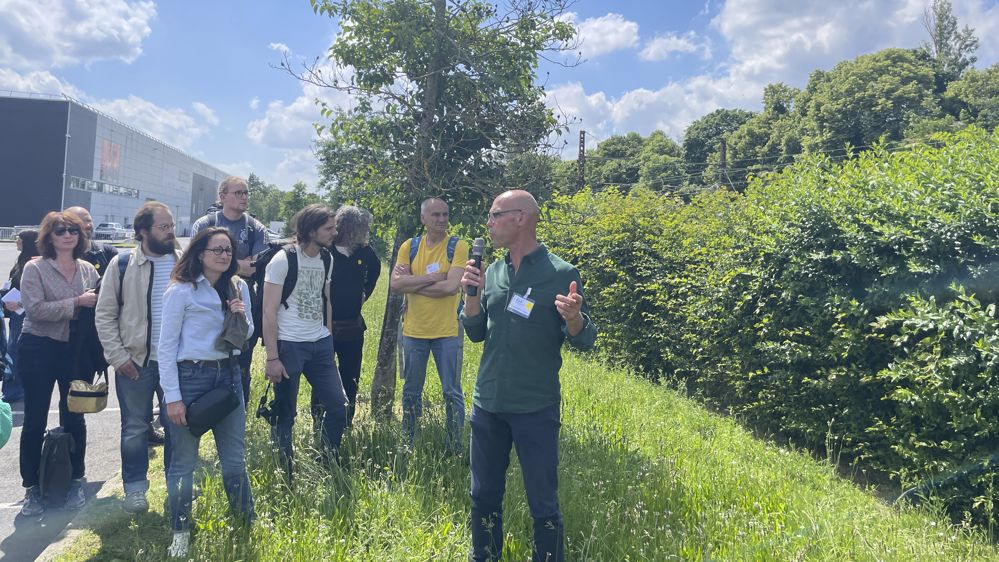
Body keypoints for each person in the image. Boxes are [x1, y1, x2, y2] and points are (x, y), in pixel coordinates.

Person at [460, 190, 598, 562]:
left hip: (535, 406)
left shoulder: (561, 273)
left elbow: (585, 340)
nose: (488, 223)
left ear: (521, 217)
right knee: (483, 496)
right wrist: (470, 297)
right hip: (488, 402)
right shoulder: (492, 271)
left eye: (494, 214)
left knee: (543, 502)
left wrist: (573, 319)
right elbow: (475, 332)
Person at [158, 227, 255, 557]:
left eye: (228, 250)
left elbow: (248, 333)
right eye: (217, 250)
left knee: (234, 460)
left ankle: (246, 522)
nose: (224, 255)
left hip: (228, 377)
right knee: (183, 464)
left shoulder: (238, 286)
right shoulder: (181, 290)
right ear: (200, 253)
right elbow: (167, 346)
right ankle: (180, 531)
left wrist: (241, 316)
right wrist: (172, 397)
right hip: (191, 378)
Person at [96, 202, 181, 514]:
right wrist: (118, 357)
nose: (170, 231)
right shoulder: (122, 265)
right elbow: (104, 315)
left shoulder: (184, 262)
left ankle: (177, 486)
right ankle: (134, 490)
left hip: (177, 363)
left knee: (178, 427)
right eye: (163, 227)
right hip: (137, 362)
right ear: (143, 231)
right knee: (134, 428)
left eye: (171, 225)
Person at [17, 212, 101, 516]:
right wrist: (76, 303)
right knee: (35, 420)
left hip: (75, 352)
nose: (67, 235)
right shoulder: (35, 267)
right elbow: (35, 310)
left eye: (73, 231)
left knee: (75, 416)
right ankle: (32, 488)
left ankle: (76, 480)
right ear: (49, 237)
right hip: (38, 347)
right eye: (60, 230)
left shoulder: (88, 270)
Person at [263, 204, 349, 475]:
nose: (334, 233)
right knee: (285, 414)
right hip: (290, 345)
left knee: (338, 407)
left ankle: (327, 461)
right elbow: (268, 310)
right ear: (311, 230)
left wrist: (329, 340)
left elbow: (326, 301)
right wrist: (272, 357)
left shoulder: (327, 258)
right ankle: (285, 470)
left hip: (320, 344)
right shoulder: (283, 260)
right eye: (329, 228)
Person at [390, 197, 469, 452]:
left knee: (451, 392)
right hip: (414, 331)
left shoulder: (458, 246)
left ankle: (454, 444)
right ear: (423, 218)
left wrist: (414, 282)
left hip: (447, 332)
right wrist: (433, 277)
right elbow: (395, 284)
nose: (442, 220)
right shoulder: (409, 247)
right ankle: (408, 441)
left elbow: (450, 287)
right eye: (435, 215)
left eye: (445, 214)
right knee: (411, 391)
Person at [191, 177, 269, 405]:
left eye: (246, 193)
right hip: (205, 293)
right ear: (222, 196)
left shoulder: (255, 227)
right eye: (238, 193)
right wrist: (239, 263)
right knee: (203, 350)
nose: (244, 197)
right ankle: (199, 406)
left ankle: (238, 409)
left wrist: (218, 261)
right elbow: (195, 261)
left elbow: (257, 267)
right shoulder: (205, 224)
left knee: (242, 356)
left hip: (243, 294)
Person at [310, 205, 381, 429]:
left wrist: (362, 296)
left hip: (352, 326)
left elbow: (374, 273)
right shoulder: (325, 251)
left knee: (350, 376)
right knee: (322, 376)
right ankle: (319, 420)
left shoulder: (365, 253)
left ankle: (345, 422)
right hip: (323, 326)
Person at [2, 229, 38, 404]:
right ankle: (12, 388)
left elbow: (37, 292)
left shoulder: (33, 264)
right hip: (15, 313)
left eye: (19, 239)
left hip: (24, 314)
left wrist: (20, 304)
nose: (16, 241)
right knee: (11, 350)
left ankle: (16, 390)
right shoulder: (20, 262)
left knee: (16, 351)